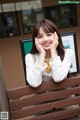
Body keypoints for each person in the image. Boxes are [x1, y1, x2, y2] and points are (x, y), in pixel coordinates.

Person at [25, 19, 73, 88]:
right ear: (35, 39)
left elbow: (58, 78)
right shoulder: (30, 57)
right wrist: (42, 55)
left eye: (49, 35)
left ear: (56, 36)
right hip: (43, 98)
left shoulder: (67, 53)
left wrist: (53, 50)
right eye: (40, 36)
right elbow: (34, 83)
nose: (45, 39)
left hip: (66, 98)